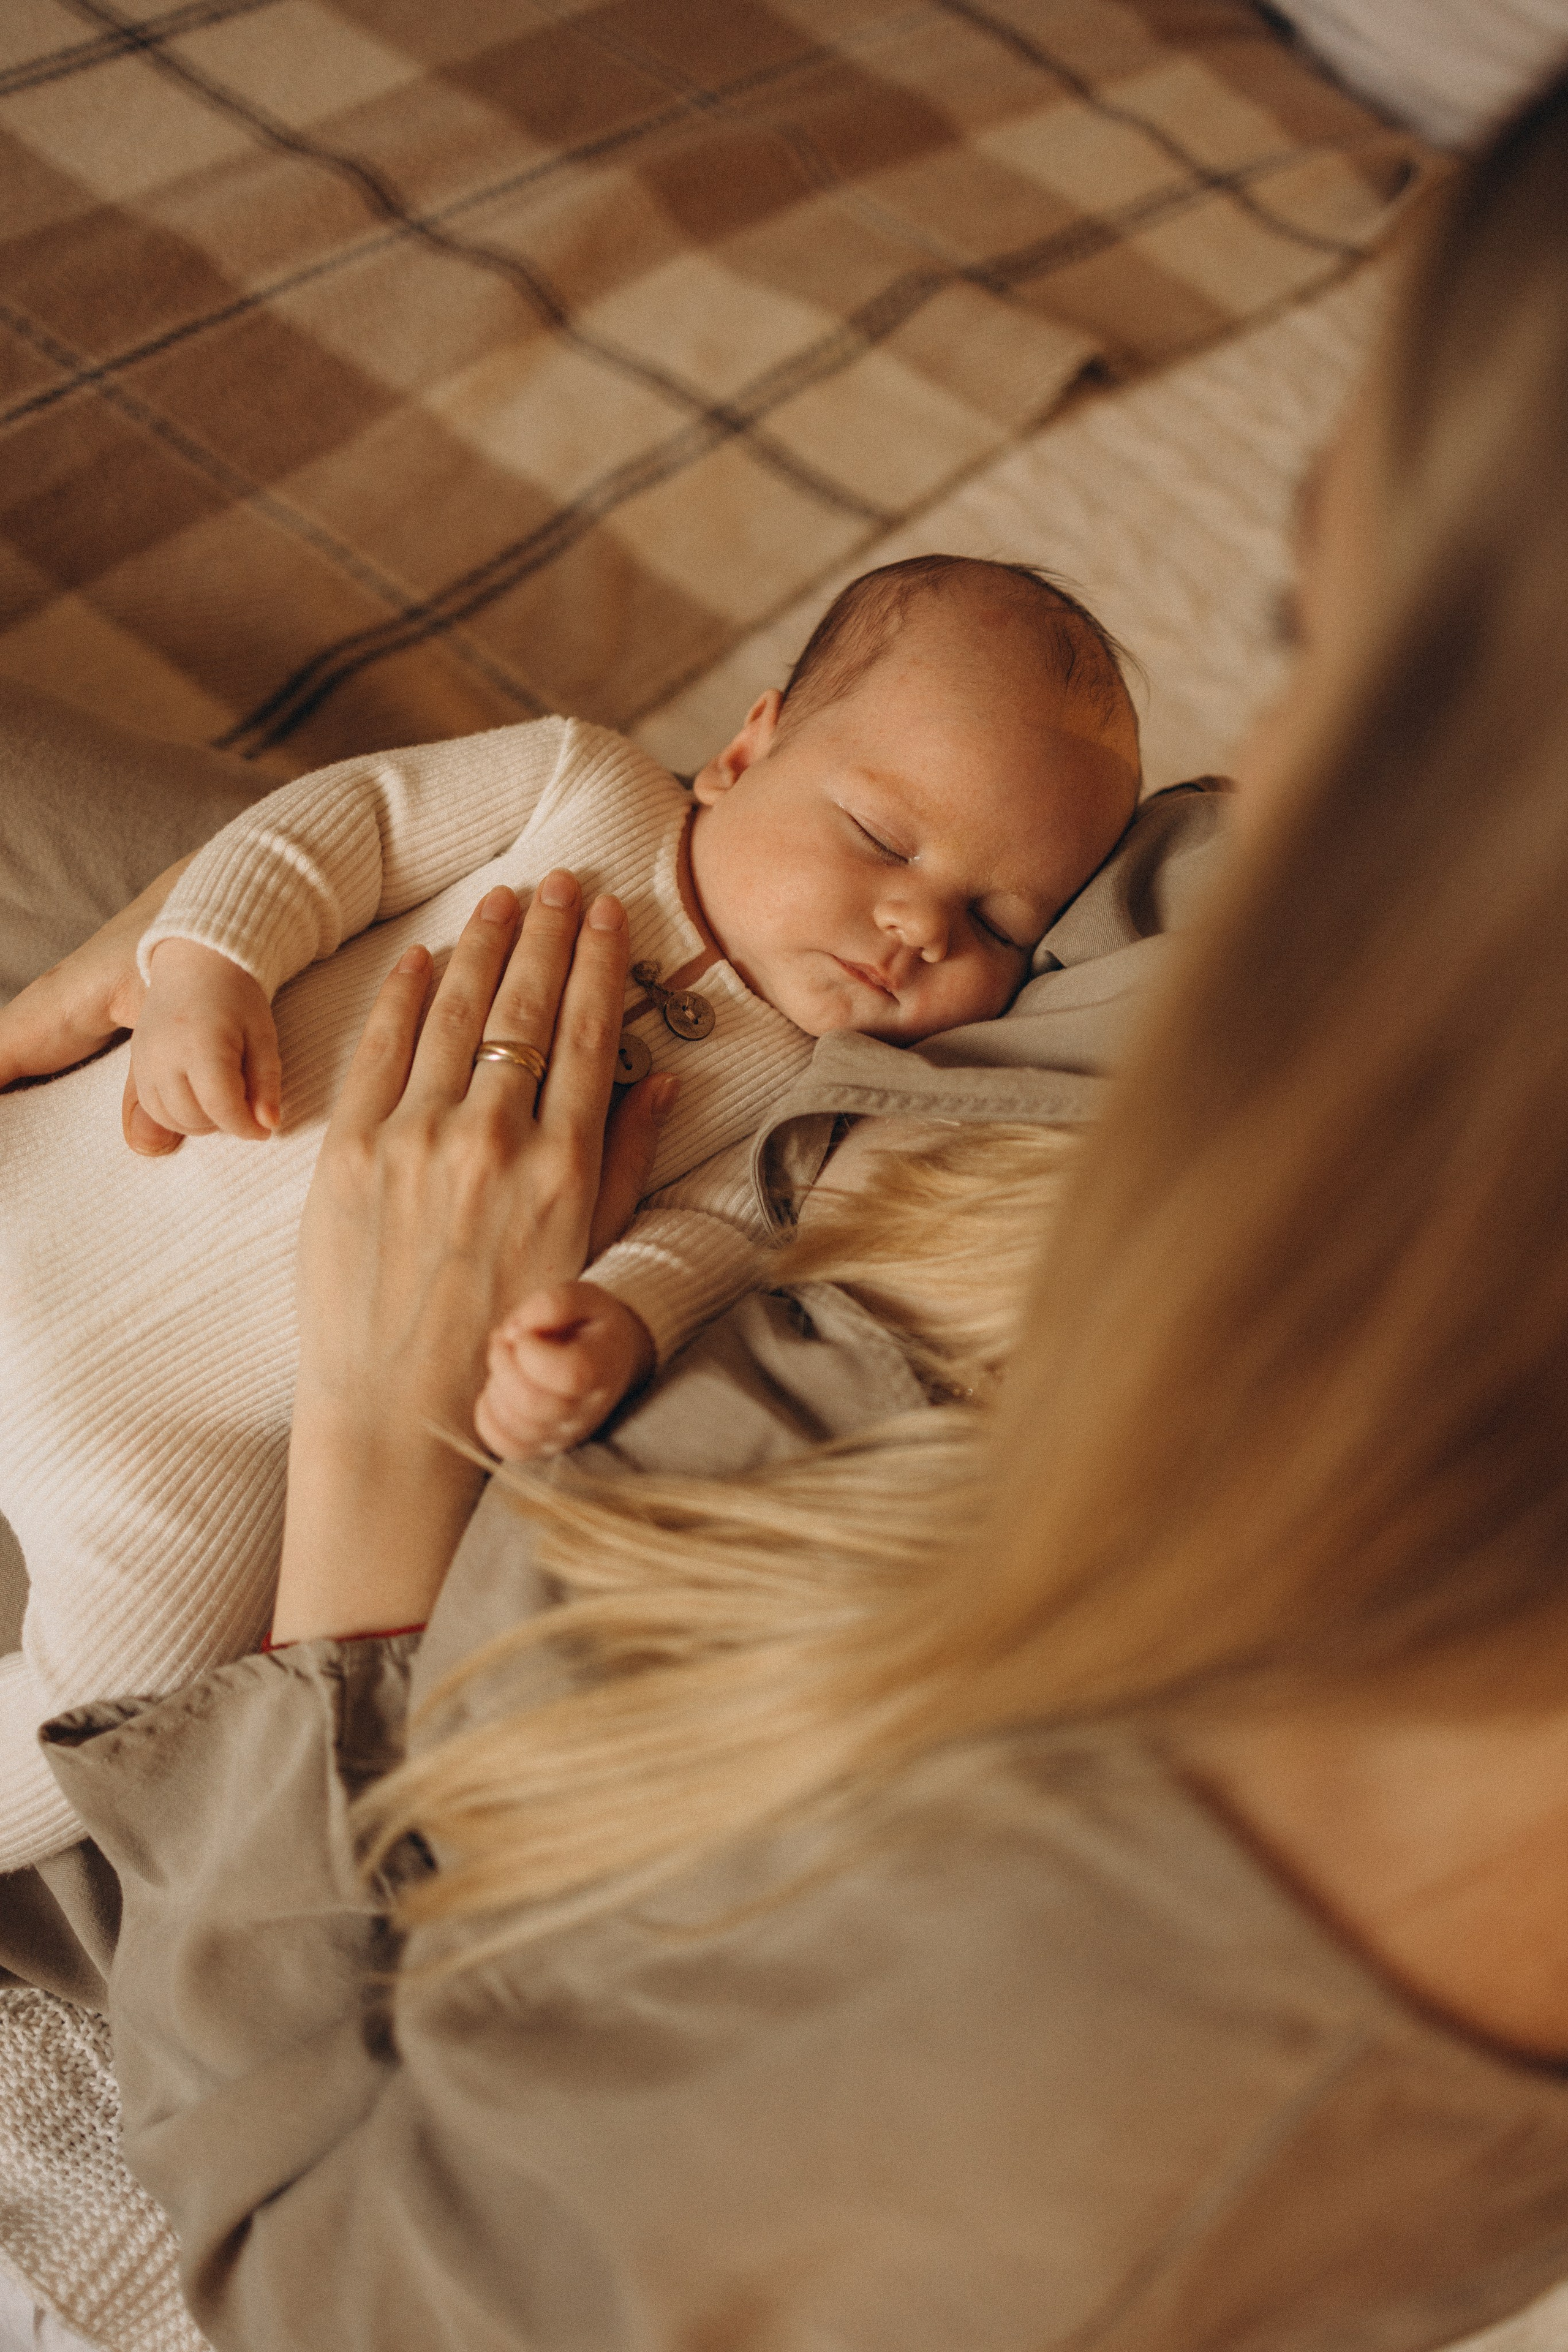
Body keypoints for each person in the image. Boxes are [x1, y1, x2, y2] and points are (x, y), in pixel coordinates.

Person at [10, 68, 1568, 2346]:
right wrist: (208, 943)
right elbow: (447, 827)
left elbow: (340, 2273)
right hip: (253, 1108)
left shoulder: (1222, 1995)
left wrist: (385, 1422)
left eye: (1359, 662)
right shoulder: (1311, 950)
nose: (1275, 783)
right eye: (1296, 618)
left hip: (268, 1644)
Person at [0, 556, 1146, 1872]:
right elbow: (349, 823)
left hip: (188, 1447)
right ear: (743, 752)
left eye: (996, 924)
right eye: (882, 839)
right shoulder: (576, 784)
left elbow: (722, 1234)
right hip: (60, 1190)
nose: (914, 924)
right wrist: (207, 961)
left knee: (127, 1698)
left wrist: (616, 1320)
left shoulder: (820, 1099)